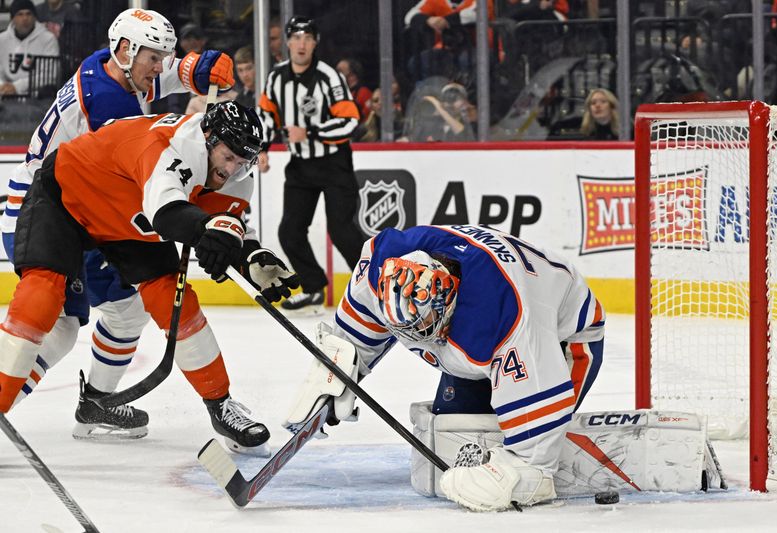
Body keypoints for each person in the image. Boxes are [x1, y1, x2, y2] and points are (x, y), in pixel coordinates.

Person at [0, 101, 299, 457]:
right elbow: (168, 215)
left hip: (129, 215)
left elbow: (225, 226)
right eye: (228, 156)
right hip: (67, 195)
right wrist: (209, 231)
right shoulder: (172, 147)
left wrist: (249, 255)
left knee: (174, 301)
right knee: (42, 295)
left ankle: (222, 407)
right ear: (208, 137)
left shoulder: (236, 178)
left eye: (243, 161)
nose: (232, 169)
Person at [0, 7, 241, 442]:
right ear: (127, 50)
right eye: (154, 57)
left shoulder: (107, 64)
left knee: (126, 312)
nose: (160, 66)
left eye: (163, 57)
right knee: (61, 328)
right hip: (51, 205)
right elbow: (134, 173)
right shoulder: (109, 103)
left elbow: (157, 77)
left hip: (80, 201)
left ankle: (96, 404)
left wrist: (195, 67)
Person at [284, 224, 605, 511]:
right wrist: (336, 372)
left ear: (449, 300)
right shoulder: (377, 266)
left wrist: (524, 470)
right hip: (489, 319)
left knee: (525, 446)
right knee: (458, 433)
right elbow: (350, 343)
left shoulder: (505, 315)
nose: (417, 338)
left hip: (564, 334)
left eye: (424, 323)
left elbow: (534, 461)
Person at [259, 16, 365, 313]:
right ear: (287, 42)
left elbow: (350, 120)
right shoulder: (276, 78)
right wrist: (262, 148)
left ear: (315, 43)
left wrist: (311, 132)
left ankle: (373, 285)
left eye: (307, 38)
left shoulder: (329, 77)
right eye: (296, 37)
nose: (301, 44)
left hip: (334, 164)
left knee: (342, 230)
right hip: (301, 165)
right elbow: (267, 115)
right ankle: (313, 287)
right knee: (290, 231)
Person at [0, 0, 59, 97]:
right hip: (4, 93)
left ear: (35, 17)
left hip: (36, 96)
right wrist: (3, 86)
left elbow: (49, 76)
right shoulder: (2, 39)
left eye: (28, 14)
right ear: (12, 19)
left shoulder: (48, 39)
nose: (25, 18)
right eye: (20, 14)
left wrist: (17, 87)